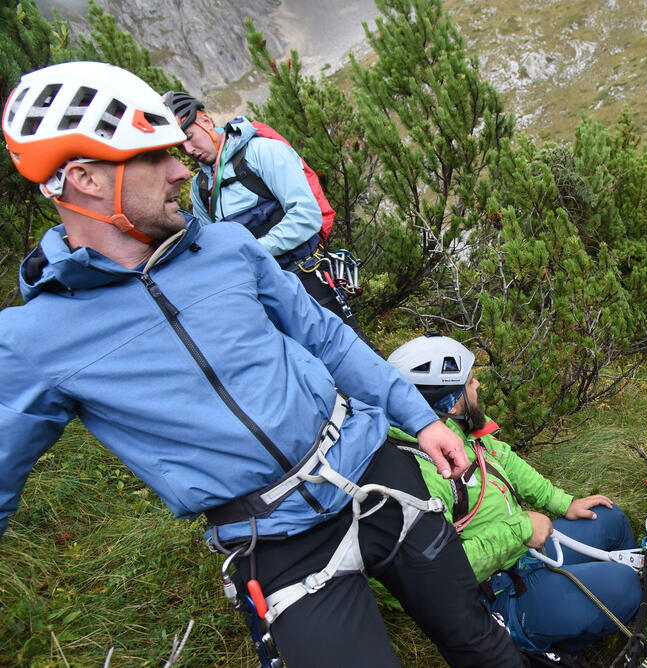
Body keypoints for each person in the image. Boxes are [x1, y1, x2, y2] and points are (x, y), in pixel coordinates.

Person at [0, 62, 522, 667]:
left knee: (479, 642)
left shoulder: (226, 246)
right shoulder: (33, 340)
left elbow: (326, 337)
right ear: (86, 179)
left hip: (375, 470)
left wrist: (420, 417)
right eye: (154, 158)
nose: (179, 171)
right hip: (273, 539)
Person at [386, 334, 642, 657]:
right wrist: (521, 528)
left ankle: (588, 611)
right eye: (470, 381)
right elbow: (442, 570)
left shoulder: (458, 434)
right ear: (450, 401)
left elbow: (507, 461)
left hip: (526, 550)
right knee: (625, 586)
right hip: (501, 591)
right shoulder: (424, 474)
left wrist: (564, 503)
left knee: (612, 520)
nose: (477, 386)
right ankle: (544, 645)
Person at [161, 90, 379, 353]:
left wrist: (254, 251)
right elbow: (213, 245)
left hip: (305, 274)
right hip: (259, 292)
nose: (188, 150)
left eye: (188, 138)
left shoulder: (263, 152)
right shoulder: (201, 187)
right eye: (179, 147)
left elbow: (306, 216)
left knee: (351, 354)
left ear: (206, 122)